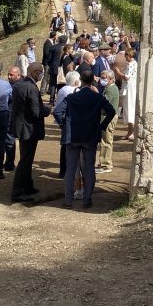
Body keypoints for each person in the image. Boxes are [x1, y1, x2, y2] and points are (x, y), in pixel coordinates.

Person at [53, 69, 115, 208]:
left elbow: (57, 112)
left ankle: (68, 200)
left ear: (80, 80)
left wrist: (64, 126)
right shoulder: (97, 97)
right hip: (90, 136)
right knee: (89, 168)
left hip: (72, 136)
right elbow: (111, 111)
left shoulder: (72, 97)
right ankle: (87, 200)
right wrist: (102, 126)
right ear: (93, 80)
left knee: (70, 169)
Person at [9, 63, 50, 203]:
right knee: (25, 161)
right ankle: (17, 191)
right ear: (33, 72)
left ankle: (27, 186)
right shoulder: (31, 88)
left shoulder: (19, 84)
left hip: (22, 127)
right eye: (40, 72)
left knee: (27, 159)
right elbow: (36, 112)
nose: (41, 74)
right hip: (29, 129)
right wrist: (47, 110)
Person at [55, 70, 82, 177]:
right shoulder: (75, 91)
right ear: (76, 82)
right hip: (72, 121)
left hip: (63, 119)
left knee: (64, 145)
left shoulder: (62, 90)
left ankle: (63, 170)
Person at [97, 70, 120, 173]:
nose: (102, 79)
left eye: (104, 78)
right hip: (107, 117)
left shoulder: (111, 89)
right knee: (104, 140)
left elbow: (104, 103)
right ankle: (103, 162)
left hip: (108, 117)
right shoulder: (109, 87)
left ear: (110, 79)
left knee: (106, 141)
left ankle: (106, 164)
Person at [4, 66, 22, 171]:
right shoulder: (8, 85)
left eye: (12, 75)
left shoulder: (19, 86)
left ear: (18, 75)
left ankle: (10, 163)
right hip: (7, 114)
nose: (9, 76)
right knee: (6, 139)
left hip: (13, 115)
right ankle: (7, 162)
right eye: (8, 74)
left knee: (10, 139)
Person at [119, 47, 138, 139]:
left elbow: (127, 77)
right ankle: (130, 132)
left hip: (130, 89)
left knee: (130, 109)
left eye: (126, 55)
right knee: (128, 109)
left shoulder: (131, 64)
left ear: (129, 55)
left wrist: (118, 72)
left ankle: (132, 132)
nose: (125, 57)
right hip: (129, 88)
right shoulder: (132, 63)